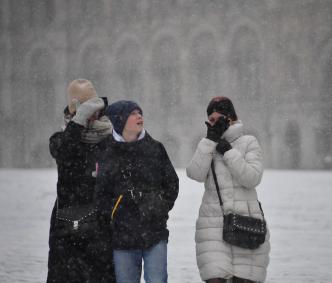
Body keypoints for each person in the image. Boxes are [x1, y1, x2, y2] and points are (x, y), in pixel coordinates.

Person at [186, 96, 270, 283]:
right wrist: (210, 140)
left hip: (246, 223)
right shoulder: (207, 144)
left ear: (229, 118)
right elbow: (195, 173)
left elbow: (252, 178)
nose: (214, 124)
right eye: (211, 120)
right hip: (212, 226)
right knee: (215, 277)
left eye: (218, 119)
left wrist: (228, 152)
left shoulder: (249, 142)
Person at [95, 100, 179, 283]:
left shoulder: (155, 148)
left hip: (154, 233)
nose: (139, 116)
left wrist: (159, 208)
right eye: (132, 113)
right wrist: (114, 214)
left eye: (139, 112)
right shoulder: (105, 150)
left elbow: (172, 183)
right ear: (120, 120)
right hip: (121, 238)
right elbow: (100, 193)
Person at [47, 79, 115, 282]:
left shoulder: (111, 140)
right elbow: (65, 152)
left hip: (104, 229)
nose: (95, 114)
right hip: (70, 230)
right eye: (88, 109)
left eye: (96, 108)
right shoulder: (60, 139)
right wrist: (79, 121)